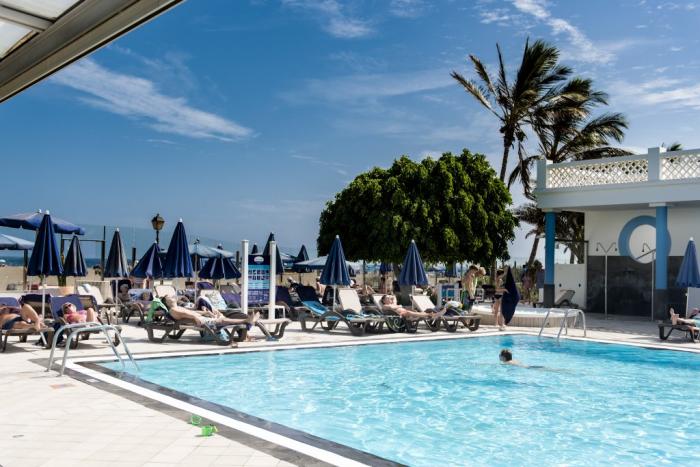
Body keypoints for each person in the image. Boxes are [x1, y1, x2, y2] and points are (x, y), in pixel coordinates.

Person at [163, 295, 258, 328]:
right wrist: (195, 317)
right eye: (169, 297)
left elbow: (193, 313)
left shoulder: (179, 307)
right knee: (222, 320)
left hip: (201, 318)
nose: (172, 296)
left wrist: (205, 312)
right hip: (200, 321)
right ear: (167, 303)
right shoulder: (173, 310)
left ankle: (248, 320)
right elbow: (185, 314)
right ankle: (246, 321)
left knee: (224, 318)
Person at [380, 294, 444, 319]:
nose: (389, 298)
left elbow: (394, 296)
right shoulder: (384, 305)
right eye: (387, 298)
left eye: (389, 298)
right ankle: (431, 315)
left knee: (417, 312)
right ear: (384, 301)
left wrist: (391, 297)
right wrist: (399, 306)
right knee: (409, 312)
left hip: (405, 312)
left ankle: (433, 313)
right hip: (401, 315)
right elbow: (391, 308)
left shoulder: (393, 303)